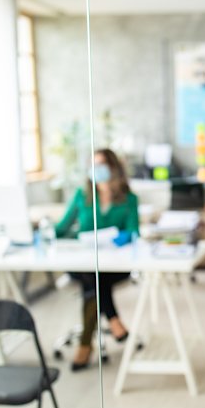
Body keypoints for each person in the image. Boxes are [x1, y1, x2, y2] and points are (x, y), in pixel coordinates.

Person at [55, 148, 140, 371]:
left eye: (101, 164)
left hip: (115, 267)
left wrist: (123, 238)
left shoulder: (129, 199)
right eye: (93, 165)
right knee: (92, 275)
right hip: (83, 265)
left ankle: (85, 345)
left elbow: (133, 231)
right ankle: (114, 321)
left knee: (95, 280)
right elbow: (62, 227)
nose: (97, 170)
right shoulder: (82, 197)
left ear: (113, 168)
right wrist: (41, 232)